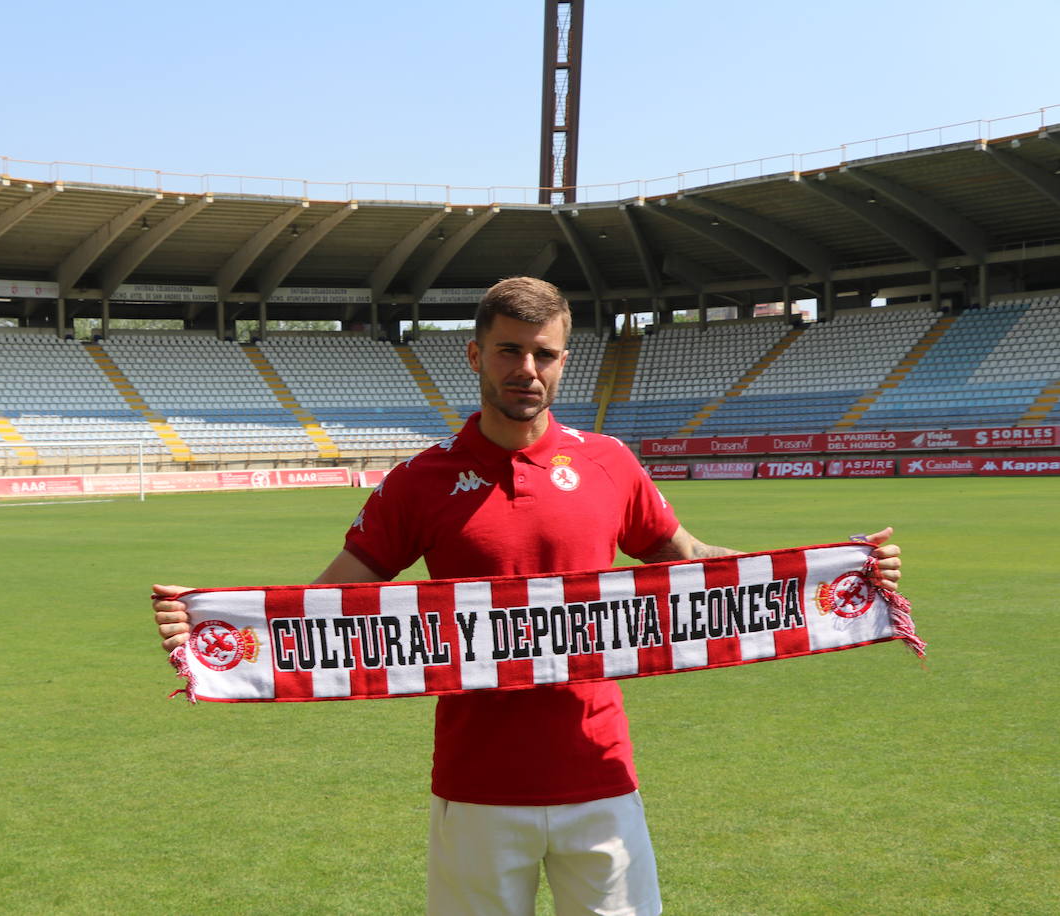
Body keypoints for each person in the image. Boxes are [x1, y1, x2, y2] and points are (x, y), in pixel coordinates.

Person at [153, 276, 902, 915]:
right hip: (477, 788)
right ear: (476, 354)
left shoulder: (608, 463)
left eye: (543, 353)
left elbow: (696, 563)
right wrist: (215, 628)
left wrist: (835, 575)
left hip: (601, 775)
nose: (527, 369)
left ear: (564, 362)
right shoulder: (422, 481)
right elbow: (329, 603)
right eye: (509, 350)